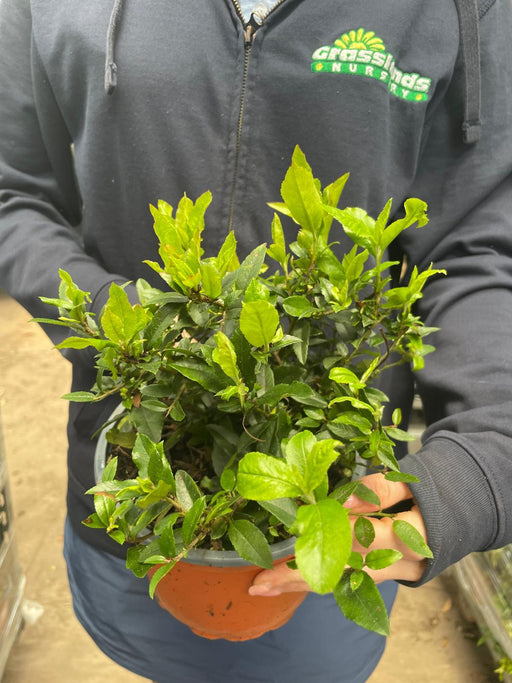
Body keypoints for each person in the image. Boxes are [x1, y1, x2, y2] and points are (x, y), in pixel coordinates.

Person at [1, 0, 511, 681]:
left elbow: (477, 237)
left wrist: (487, 451)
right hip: (135, 486)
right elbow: (12, 191)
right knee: (146, 653)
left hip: (330, 501)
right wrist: (123, 319)